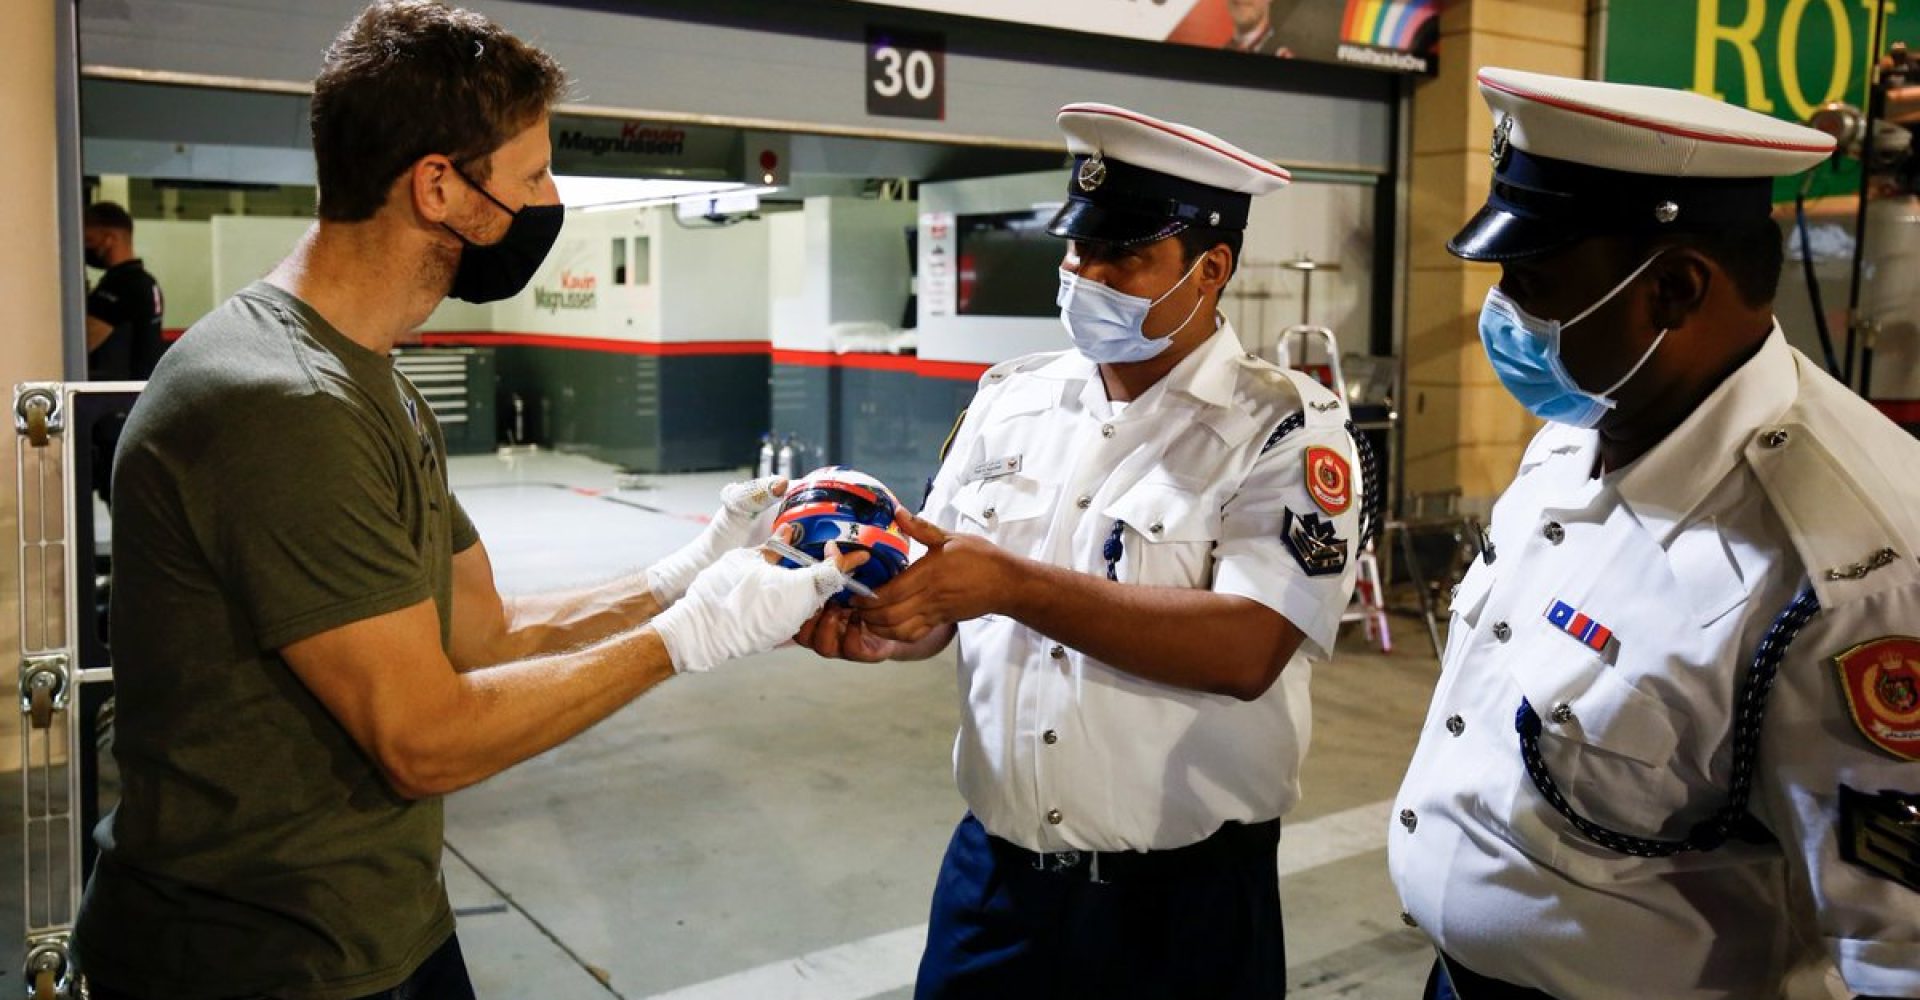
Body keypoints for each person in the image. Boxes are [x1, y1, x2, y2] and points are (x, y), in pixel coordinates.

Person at [70, 4, 859, 998]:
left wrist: (681, 575)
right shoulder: (277, 400)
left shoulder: (369, 378)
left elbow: (480, 636)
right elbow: (425, 736)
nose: (550, 197)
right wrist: (692, 636)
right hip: (256, 959)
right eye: (530, 176)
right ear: (438, 185)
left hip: (381, 928)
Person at [800, 102, 1371, 998]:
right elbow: (949, 591)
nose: (1084, 274)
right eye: (1077, 248)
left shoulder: (1286, 428)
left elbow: (1250, 646)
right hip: (995, 884)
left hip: (1181, 911)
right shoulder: (1010, 398)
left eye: (1123, 256)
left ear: (1211, 268)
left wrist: (1013, 587)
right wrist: (891, 623)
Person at [1389, 67, 1920, 1000]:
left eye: (1535, 278)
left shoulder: (1848, 573)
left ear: (1673, 288)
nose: (1503, 311)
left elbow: (1900, 953)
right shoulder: (1584, 428)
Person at [82, 200, 166, 382]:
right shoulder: (146, 281)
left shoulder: (122, 286)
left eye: (89, 240)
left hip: (118, 397)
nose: (85, 248)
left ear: (109, 239)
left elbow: (80, 344)